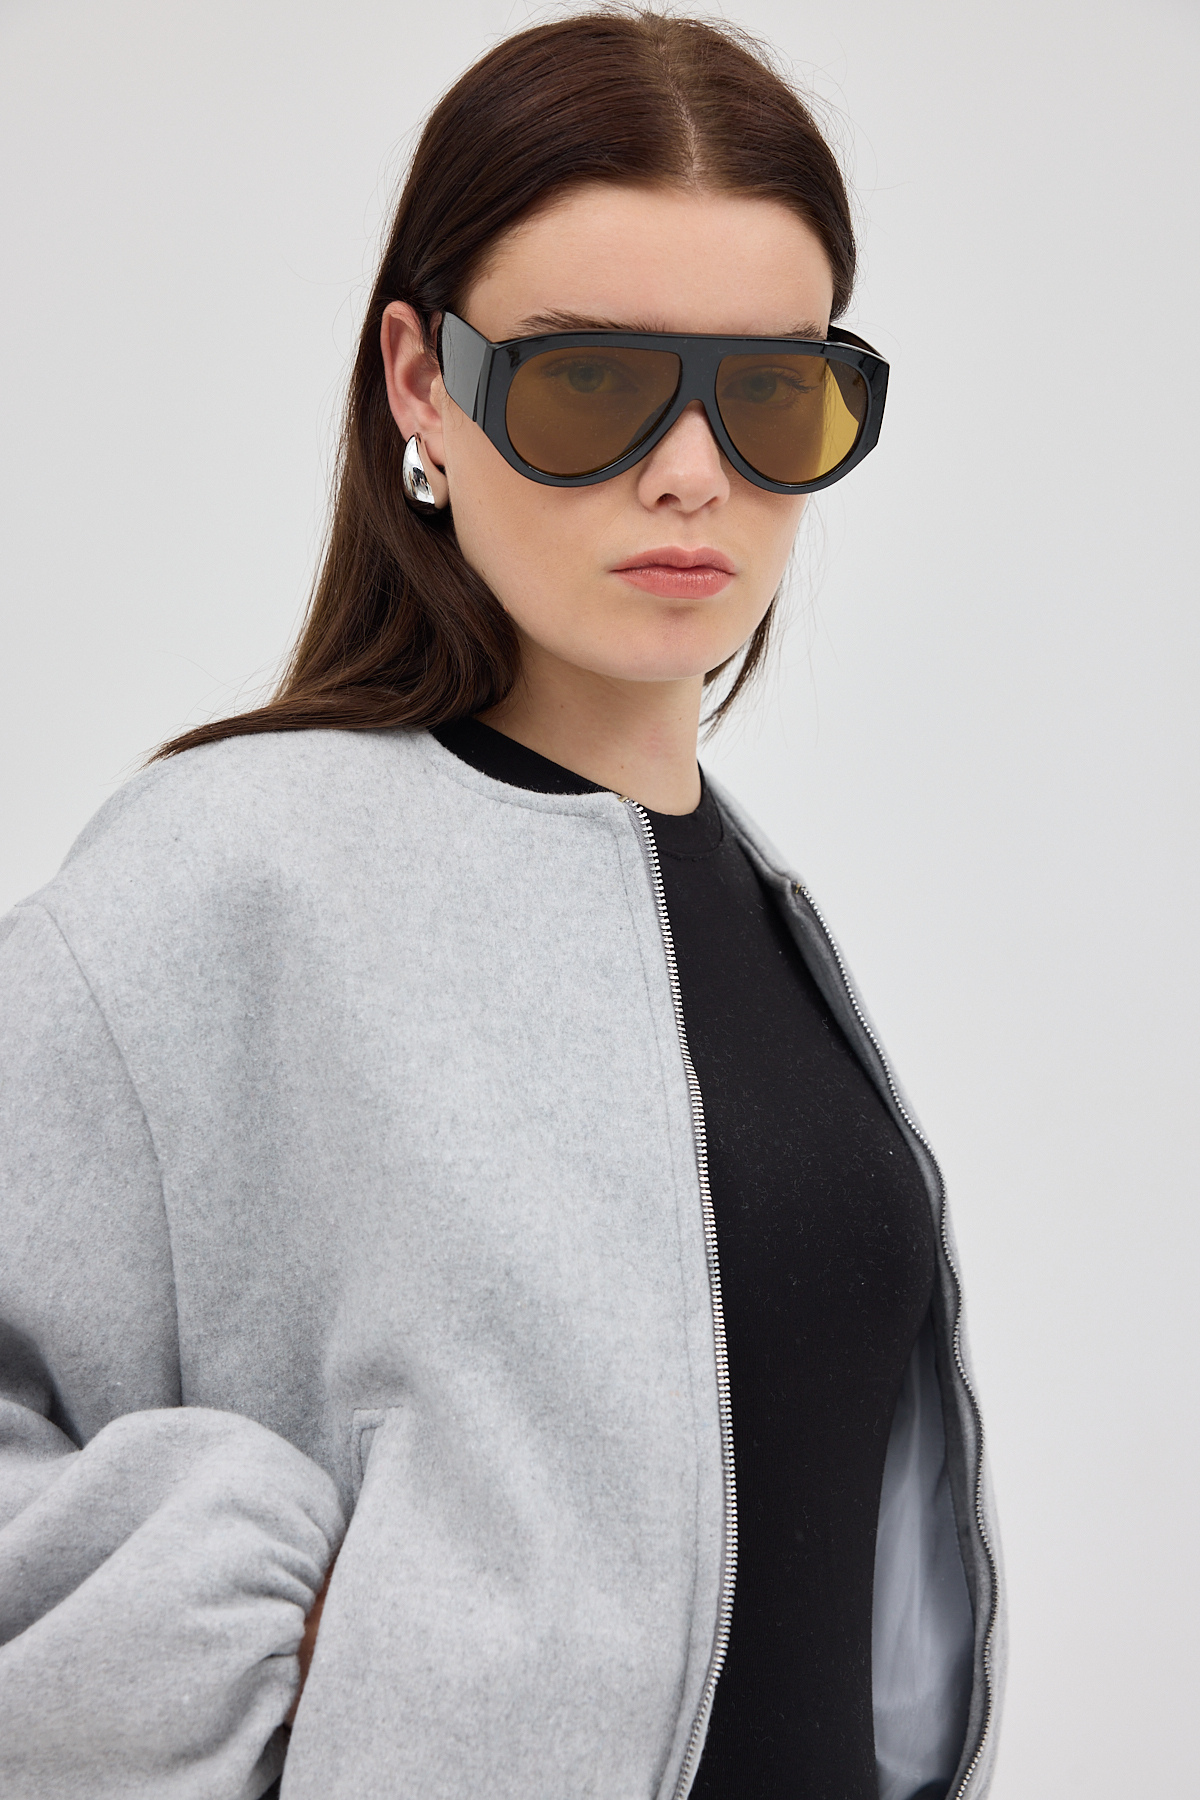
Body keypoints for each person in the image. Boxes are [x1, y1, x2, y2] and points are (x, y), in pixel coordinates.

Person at [0, 11, 1004, 1799]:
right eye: (591, 383)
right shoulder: (231, 875)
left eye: (772, 393)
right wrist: (232, 1633)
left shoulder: (766, 915)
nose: (691, 471)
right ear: (422, 384)